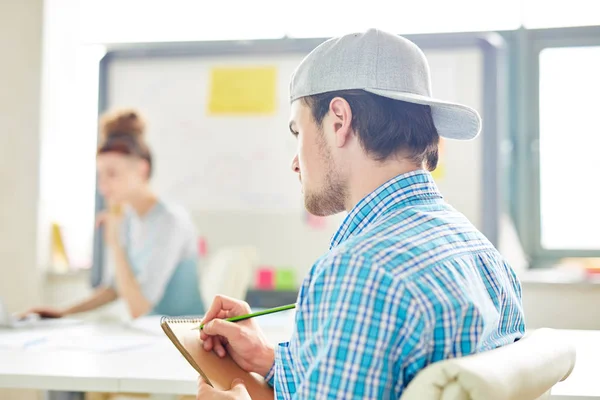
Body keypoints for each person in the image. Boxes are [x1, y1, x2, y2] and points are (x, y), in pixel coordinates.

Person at [196, 29, 525, 399]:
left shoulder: (361, 271)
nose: (295, 162)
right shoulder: (483, 255)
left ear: (339, 120)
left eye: (298, 132)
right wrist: (270, 360)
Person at [26, 109, 205, 319]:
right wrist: (63, 313)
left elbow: (140, 308)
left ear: (142, 170)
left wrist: (115, 242)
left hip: (182, 336)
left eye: (112, 174)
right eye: (100, 175)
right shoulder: (129, 219)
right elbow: (115, 288)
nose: (103, 186)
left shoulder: (171, 221)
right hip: (150, 334)